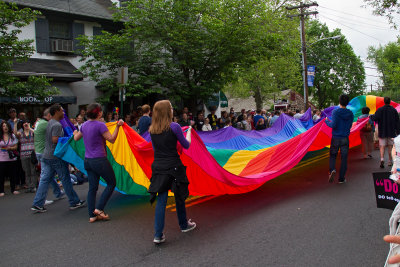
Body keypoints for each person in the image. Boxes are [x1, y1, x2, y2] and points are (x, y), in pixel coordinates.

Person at [148, 100, 196, 244]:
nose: (172, 109)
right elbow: (186, 145)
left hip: (158, 166)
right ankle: (183, 225)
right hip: (174, 166)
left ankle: (158, 234)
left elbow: (156, 150)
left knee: (161, 200)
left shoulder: (152, 129)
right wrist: (189, 133)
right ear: (166, 111)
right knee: (179, 195)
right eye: (170, 107)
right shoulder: (174, 127)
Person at [73, 103, 123, 223]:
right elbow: (111, 139)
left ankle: (92, 215)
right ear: (99, 113)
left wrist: (75, 133)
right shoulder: (100, 125)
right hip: (99, 160)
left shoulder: (84, 125)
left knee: (92, 188)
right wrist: (118, 127)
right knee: (111, 183)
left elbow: (76, 138)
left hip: (88, 161)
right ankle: (99, 209)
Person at [31, 104, 85, 213]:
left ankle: (37, 203)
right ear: (56, 112)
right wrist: (70, 137)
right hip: (55, 156)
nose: (63, 113)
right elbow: (55, 140)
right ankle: (74, 201)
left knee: (45, 179)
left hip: (47, 155)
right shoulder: (56, 125)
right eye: (62, 111)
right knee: (65, 179)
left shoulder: (50, 123)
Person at [34, 109, 64, 201]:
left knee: (48, 175)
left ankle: (57, 192)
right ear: (49, 115)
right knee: (45, 177)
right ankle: (41, 199)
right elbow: (55, 136)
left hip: (39, 151)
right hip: (45, 152)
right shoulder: (47, 124)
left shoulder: (39, 123)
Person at [325, 95, 354, 184]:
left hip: (336, 138)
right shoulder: (351, 114)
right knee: (344, 158)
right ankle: (341, 178)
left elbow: (333, 125)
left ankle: (332, 170)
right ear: (347, 102)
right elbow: (350, 126)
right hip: (345, 138)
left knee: (333, 156)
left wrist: (326, 121)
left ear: (339, 101)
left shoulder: (335, 112)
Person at [370, 96, 400, 168]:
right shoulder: (393, 110)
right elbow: (397, 121)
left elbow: (375, 118)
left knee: (382, 146)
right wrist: (398, 131)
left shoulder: (380, 110)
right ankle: (390, 161)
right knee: (390, 146)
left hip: (382, 131)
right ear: (390, 102)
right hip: (391, 132)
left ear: (384, 102)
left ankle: (382, 159)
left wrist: (371, 116)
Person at [15, 120, 37, 193]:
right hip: (23, 155)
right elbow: (15, 133)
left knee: (33, 170)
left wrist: (29, 128)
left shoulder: (32, 132)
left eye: (27, 123)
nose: (25, 124)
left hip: (31, 154)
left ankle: (33, 186)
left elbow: (36, 133)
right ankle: (29, 186)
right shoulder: (20, 133)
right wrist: (15, 124)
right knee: (26, 171)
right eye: (24, 123)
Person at [0, 121, 19, 196]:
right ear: (1, 128)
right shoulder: (0, 137)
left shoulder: (12, 136)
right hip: (1, 158)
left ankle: (13, 189)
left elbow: (16, 146)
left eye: (6, 126)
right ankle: (1, 191)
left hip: (11, 158)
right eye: (4, 126)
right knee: (1, 175)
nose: (5, 127)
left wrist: (10, 148)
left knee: (12, 174)